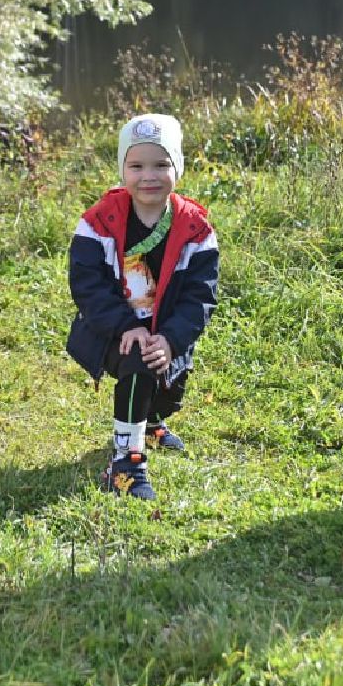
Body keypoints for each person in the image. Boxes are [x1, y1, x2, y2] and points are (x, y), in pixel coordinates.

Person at [66, 114, 219, 500]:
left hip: (165, 331)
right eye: (136, 166)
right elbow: (87, 286)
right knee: (138, 361)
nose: (148, 176)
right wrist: (124, 326)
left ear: (177, 168)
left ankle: (151, 421)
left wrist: (170, 339)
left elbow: (200, 296)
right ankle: (126, 462)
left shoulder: (196, 231)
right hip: (110, 331)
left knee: (168, 387)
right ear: (123, 170)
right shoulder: (97, 223)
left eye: (161, 164)